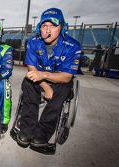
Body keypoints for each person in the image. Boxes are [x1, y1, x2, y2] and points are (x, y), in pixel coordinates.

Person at [17, 8, 81, 148]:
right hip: (41, 80)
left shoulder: (73, 46)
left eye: (53, 25)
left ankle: (43, 132)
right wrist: (46, 87)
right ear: (40, 28)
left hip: (59, 80)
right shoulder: (33, 41)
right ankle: (27, 129)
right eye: (44, 26)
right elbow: (32, 69)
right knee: (28, 82)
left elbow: (66, 77)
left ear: (62, 27)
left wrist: (44, 75)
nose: (48, 30)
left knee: (64, 88)